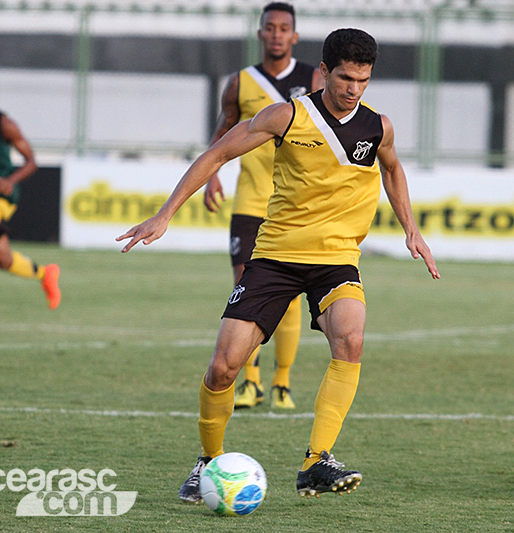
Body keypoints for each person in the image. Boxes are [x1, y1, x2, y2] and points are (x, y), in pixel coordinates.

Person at [117, 28, 440, 502]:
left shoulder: (378, 127)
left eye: (363, 80)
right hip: (275, 257)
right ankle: (208, 461)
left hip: (336, 261)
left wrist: (411, 228)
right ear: (324, 71)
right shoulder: (286, 116)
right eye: (345, 78)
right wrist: (165, 214)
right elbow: (217, 153)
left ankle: (316, 461)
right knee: (224, 368)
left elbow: (392, 168)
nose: (353, 89)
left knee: (351, 338)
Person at [203, 2, 324, 411]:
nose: (276, 34)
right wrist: (212, 175)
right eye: (269, 27)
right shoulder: (240, 83)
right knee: (245, 289)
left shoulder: (313, 79)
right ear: (260, 34)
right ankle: (250, 382)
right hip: (250, 201)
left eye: (283, 28)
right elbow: (224, 131)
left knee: (289, 294)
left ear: (294, 36)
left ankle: (281, 383)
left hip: (294, 205)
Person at [0, 67, 61, 334]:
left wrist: (11, 180)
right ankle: (46, 273)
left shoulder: (1, 123)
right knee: (4, 260)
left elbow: (31, 162)